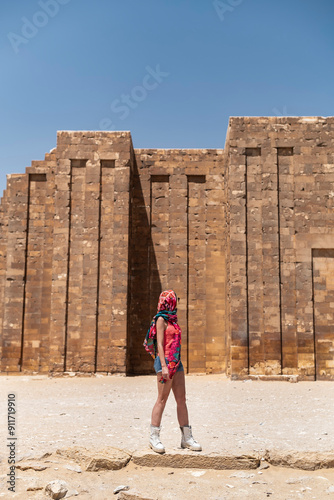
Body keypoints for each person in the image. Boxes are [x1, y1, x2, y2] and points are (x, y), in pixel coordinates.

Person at [143, 289, 202, 454]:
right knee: (162, 400)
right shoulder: (161, 319)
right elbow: (160, 344)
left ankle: (186, 438)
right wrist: (163, 366)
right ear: (168, 301)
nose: (177, 301)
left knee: (181, 399)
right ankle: (153, 437)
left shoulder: (173, 320)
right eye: (175, 299)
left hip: (177, 362)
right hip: (165, 363)